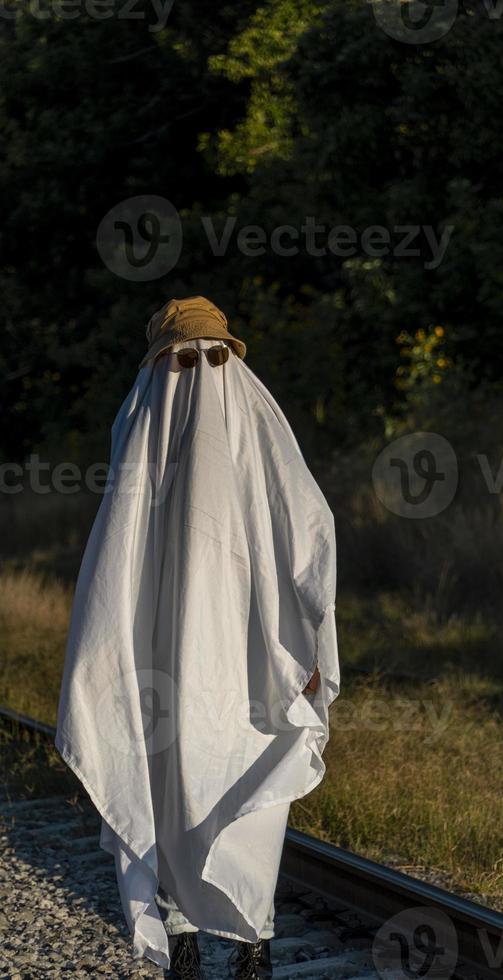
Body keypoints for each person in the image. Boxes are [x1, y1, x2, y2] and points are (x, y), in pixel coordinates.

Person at [55, 297, 340, 980]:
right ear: (160, 367)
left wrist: (312, 646)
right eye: (186, 360)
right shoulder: (145, 432)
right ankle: (183, 935)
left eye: (214, 357)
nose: (201, 372)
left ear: (231, 360)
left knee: (249, 780)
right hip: (161, 657)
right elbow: (114, 570)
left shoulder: (254, 429)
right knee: (172, 784)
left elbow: (309, 531)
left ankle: (254, 941)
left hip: (255, 658)